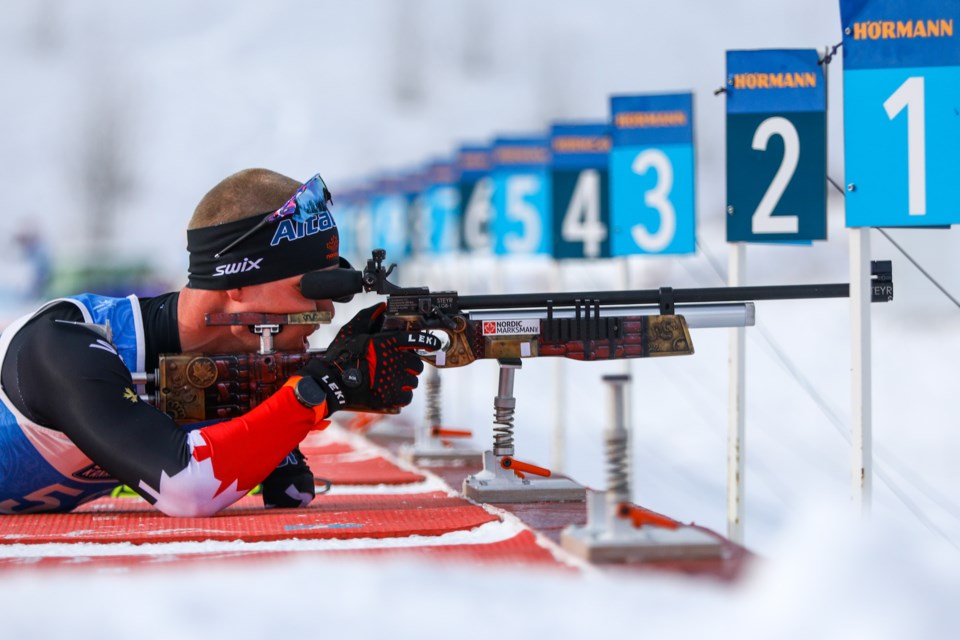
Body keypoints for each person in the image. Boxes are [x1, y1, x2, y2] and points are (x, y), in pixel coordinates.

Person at [0, 168, 438, 516]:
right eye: (308, 287)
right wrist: (322, 389)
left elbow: (291, 496)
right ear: (238, 285)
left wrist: (323, 392)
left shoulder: (225, 373)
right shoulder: (62, 345)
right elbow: (186, 489)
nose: (325, 309)